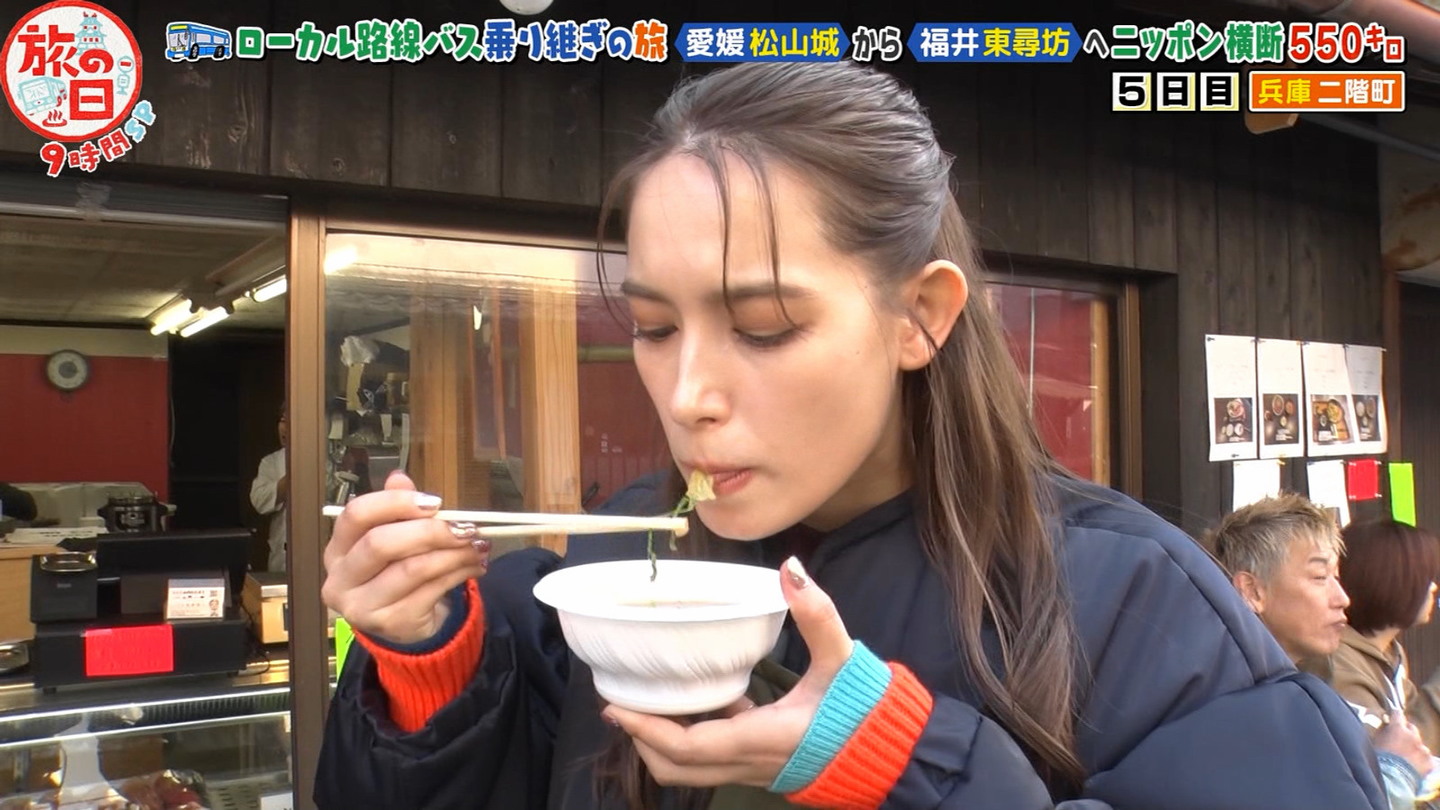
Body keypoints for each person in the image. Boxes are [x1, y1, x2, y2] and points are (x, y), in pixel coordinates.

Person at [314, 62, 1385, 810]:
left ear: (921, 315)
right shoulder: (628, 560)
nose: (686, 393)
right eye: (652, 327)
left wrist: (913, 763)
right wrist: (429, 668)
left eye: (763, 326)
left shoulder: (1133, 600)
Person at [1210, 494, 1432, 810]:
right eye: (1319, 577)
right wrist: (1395, 771)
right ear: (1252, 591)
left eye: (1337, 578)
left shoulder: (1285, 692)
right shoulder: (1229, 702)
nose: (1342, 598)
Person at [1306, 519, 1440, 753]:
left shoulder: (1388, 651)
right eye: (1423, 578)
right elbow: (1395, 759)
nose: (1433, 588)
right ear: (1390, 582)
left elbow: (1413, 724)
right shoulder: (1336, 664)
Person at [250, 407, 288, 572]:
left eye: (291, 422)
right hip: (282, 554)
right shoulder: (271, 462)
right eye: (282, 421)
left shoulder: (326, 458)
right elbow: (259, 501)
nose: (284, 428)